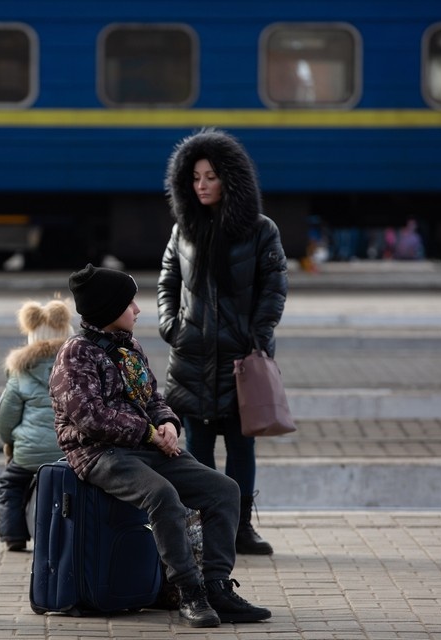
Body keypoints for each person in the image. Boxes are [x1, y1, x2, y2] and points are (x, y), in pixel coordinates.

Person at [50, 263, 273, 628]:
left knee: (223, 490)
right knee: (162, 495)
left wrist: (168, 422)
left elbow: (152, 397)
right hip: (97, 452)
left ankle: (217, 586)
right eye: (130, 303)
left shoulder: (128, 346)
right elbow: (89, 417)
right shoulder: (76, 354)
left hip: (144, 444)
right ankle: (189, 593)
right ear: (108, 309)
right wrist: (149, 434)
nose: (138, 310)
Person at [158, 128, 289, 556]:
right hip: (192, 357)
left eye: (211, 176)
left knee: (240, 444)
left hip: (240, 360)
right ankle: (205, 527)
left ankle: (241, 528)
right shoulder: (185, 229)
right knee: (196, 447)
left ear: (230, 179)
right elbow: (167, 280)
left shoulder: (260, 230)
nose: (202, 185)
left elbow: (274, 285)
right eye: (195, 178)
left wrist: (259, 334)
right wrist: (170, 325)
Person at [0, 298, 73, 551]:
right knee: (70, 488)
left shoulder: (20, 373)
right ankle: (64, 534)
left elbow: (5, 418)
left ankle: (14, 536)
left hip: (28, 453)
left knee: (12, 485)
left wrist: (10, 443)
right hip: (68, 451)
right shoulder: (77, 368)